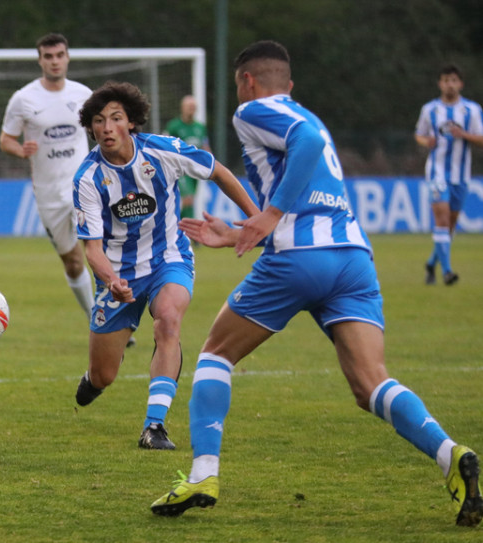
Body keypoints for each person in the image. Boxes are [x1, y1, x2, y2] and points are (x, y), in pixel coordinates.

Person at [150, 40, 483, 527]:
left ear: (247, 81)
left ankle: (203, 473)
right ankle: (451, 454)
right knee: (371, 383)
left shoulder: (253, 111)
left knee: (216, 353)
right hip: (352, 259)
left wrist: (269, 216)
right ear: (291, 85)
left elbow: (301, 147)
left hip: (298, 259)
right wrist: (241, 232)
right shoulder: (312, 117)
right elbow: (313, 182)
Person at [72, 82, 258, 450]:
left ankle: (154, 426)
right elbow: (91, 250)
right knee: (105, 374)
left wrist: (257, 218)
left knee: (169, 320)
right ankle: (93, 380)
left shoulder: (163, 150)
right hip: (118, 274)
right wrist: (111, 281)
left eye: (115, 118)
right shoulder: (87, 178)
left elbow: (218, 171)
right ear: (91, 128)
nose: (107, 128)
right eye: (98, 121)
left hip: (168, 257)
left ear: (132, 123)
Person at [0, 33, 101, 332]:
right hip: (47, 193)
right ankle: (93, 314)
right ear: (40, 60)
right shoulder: (23, 99)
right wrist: (20, 149)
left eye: (59, 55)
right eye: (48, 56)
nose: (55, 61)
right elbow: (6, 138)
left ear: (68, 57)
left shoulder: (84, 94)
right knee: (72, 262)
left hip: (83, 185)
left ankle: (109, 321)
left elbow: (104, 130)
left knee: (99, 249)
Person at [414, 64, 483, 286]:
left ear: (460, 84)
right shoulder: (430, 110)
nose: (449, 84)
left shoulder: (471, 110)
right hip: (436, 173)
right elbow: (419, 135)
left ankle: (431, 262)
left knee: (450, 225)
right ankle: (447, 272)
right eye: (445, 80)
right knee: (441, 220)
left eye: (453, 80)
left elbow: (481, 139)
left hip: (460, 177)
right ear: (439, 84)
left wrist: (463, 135)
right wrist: (427, 141)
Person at [164, 95, 211, 220]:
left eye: (193, 107)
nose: (191, 109)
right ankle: (184, 230)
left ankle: (182, 230)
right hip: (180, 169)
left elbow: (205, 146)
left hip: (195, 170)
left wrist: (211, 163)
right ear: (182, 108)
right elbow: (164, 146)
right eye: (189, 107)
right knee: (188, 198)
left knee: (190, 200)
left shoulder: (200, 127)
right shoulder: (173, 126)